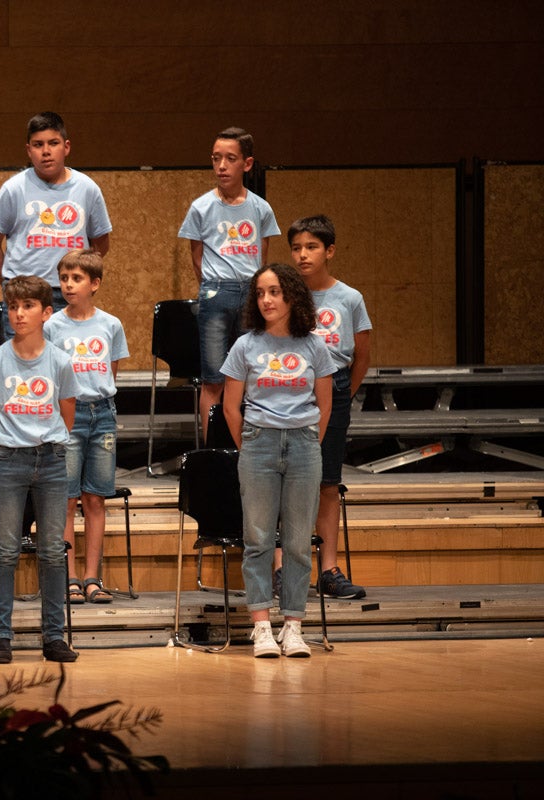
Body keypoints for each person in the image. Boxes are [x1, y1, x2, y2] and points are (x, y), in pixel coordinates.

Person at [221, 263, 333, 658]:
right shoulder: (245, 346)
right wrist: (253, 443)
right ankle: (262, 627)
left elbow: (325, 404)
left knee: (300, 541)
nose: (266, 300)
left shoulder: (314, 346)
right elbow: (231, 408)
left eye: (274, 292)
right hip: (259, 444)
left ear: (292, 296)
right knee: (258, 539)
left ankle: (294, 626)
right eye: (260, 293)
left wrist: (305, 442)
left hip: (303, 443)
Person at [0, 275, 78, 664]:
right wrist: (4, 443)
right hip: (9, 461)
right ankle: (1, 637)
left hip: (51, 460)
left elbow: (67, 412)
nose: (19, 313)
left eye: (28, 306)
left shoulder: (61, 361)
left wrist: (47, 441)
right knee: (5, 550)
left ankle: (54, 636)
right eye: (13, 306)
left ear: (46, 312)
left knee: (52, 551)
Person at [271, 215, 371, 600]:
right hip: (290, 388)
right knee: (284, 478)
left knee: (328, 482)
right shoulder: (284, 295)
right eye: (296, 248)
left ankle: (328, 570)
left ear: (329, 251)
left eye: (311, 247)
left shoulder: (349, 298)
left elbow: (360, 355)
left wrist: (339, 393)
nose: (302, 255)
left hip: (336, 388)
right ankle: (282, 569)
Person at [178, 127, 280, 438]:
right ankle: (212, 447)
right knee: (213, 377)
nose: (221, 166)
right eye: (216, 158)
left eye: (230, 159)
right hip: (216, 291)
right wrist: (211, 288)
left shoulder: (260, 208)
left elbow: (262, 257)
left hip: (250, 293)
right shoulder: (202, 207)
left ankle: (250, 441)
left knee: (251, 371)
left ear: (246, 164)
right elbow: (197, 257)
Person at [43, 249, 129, 605]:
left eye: (76, 279)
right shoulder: (52, 326)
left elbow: (112, 369)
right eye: (64, 278)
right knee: (66, 499)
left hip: (103, 414)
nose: (68, 285)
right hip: (69, 414)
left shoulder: (110, 324)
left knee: (95, 499)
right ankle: (69, 577)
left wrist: (99, 399)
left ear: (95, 284)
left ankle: (93, 577)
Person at [0, 111, 111, 335]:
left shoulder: (87, 189)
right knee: (24, 364)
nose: (46, 151)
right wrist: (9, 284)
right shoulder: (14, 189)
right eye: (38, 145)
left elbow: (101, 242)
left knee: (67, 365)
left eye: (53, 143)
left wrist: (81, 278)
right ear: (29, 150)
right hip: (24, 296)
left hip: (68, 294)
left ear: (66, 147)